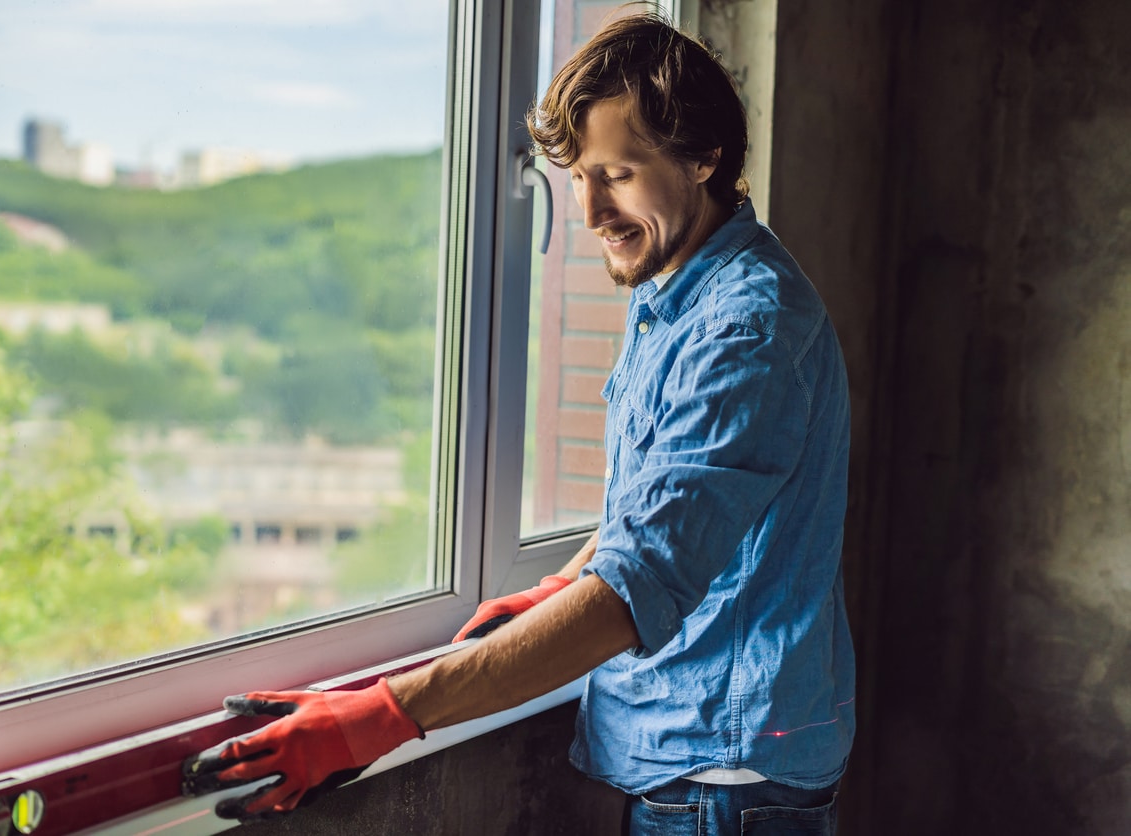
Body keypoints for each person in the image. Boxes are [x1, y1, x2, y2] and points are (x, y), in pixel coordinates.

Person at [183, 11, 855, 834]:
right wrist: (560, 582)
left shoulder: (744, 329)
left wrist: (376, 718)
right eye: (578, 177)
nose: (591, 210)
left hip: (723, 786)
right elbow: (659, 502)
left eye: (618, 173)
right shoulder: (678, 291)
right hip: (700, 770)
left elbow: (635, 591)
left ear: (705, 156)